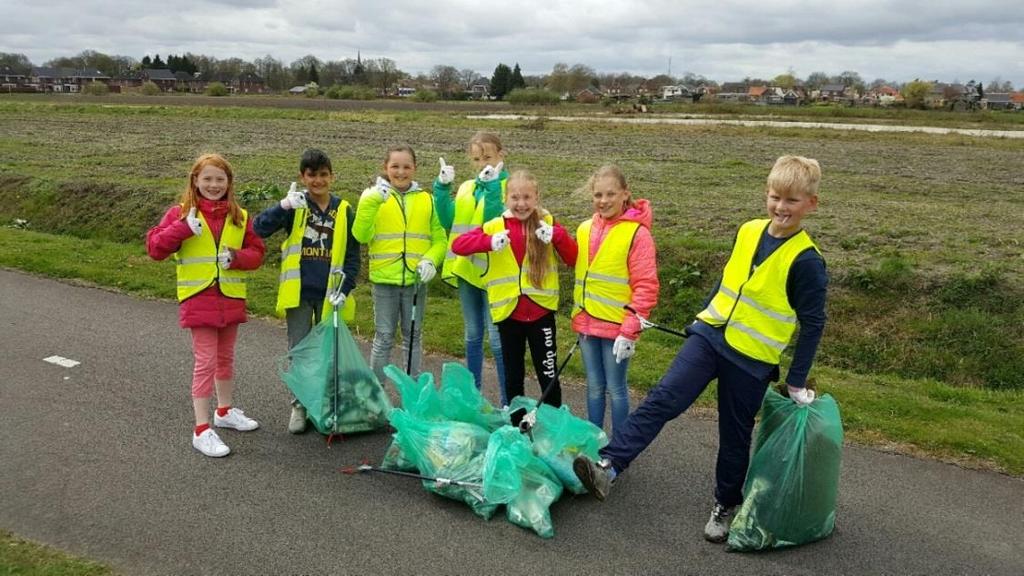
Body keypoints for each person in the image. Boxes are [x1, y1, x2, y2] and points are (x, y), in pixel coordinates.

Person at [573, 155, 828, 544]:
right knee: (663, 399)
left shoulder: (807, 261)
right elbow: (729, 278)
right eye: (775, 197)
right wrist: (702, 318)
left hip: (752, 359)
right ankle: (609, 465)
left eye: (792, 201)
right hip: (709, 337)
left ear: (811, 204)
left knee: (734, 433)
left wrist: (795, 380)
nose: (781, 207)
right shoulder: (747, 231)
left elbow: (813, 324)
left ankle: (725, 504)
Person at [146, 153, 266, 457]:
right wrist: (182, 229)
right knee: (206, 362)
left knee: (225, 358)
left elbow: (257, 252)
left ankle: (224, 412)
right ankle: (201, 430)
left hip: (230, 299)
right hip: (198, 299)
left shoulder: (239, 215)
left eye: (220, 179)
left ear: (229, 183)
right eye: (207, 179)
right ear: (195, 181)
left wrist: (237, 258)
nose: (214, 185)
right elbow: (155, 248)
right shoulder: (180, 213)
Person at [253, 148, 360, 434]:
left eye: (323, 175)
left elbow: (352, 255)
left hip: (330, 294)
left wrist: (345, 287)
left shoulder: (344, 210)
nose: (318, 181)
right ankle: (299, 404)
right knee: (300, 352)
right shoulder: (296, 206)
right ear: (303, 176)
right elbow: (258, 229)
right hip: (299, 293)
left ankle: (324, 405)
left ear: (332, 177)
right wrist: (283, 206)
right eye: (312, 175)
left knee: (328, 353)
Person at [451, 170, 577, 406]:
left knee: (548, 376)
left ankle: (553, 428)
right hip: (509, 315)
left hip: (541, 313)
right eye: (515, 198)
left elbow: (573, 258)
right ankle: (516, 428)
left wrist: (557, 236)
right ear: (505, 199)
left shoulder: (547, 222)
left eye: (527, 197)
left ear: (537, 197)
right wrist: (488, 242)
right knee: (513, 377)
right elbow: (458, 246)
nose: (521, 204)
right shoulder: (494, 226)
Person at [571, 165, 659, 437]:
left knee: (616, 388)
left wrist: (630, 331)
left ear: (625, 194)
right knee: (594, 386)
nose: (603, 200)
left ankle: (620, 447)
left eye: (611, 194)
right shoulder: (585, 228)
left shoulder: (637, 234)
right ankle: (594, 441)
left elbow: (645, 286)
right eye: (598, 194)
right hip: (587, 322)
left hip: (617, 328)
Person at [352, 144, 446, 381]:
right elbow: (361, 235)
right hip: (384, 280)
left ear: (415, 168)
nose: (401, 172)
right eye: (395, 166)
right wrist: (371, 203)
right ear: (386, 168)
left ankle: (411, 396)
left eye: (406, 166)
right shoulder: (372, 196)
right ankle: (376, 398)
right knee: (384, 338)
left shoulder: (427, 199)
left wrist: (431, 261)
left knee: (413, 337)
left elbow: (440, 239)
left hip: (416, 281)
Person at [432, 131, 509, 404]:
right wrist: (441, 189)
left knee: (499, 341)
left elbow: (492, 224)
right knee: (473, 336)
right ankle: (472, 398)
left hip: (495, 276)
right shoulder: (466, 187)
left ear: (501, 155)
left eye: (487, 156)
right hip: (466, 270)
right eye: (477, 158)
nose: (482, 163)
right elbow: (448, 221)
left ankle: (507, 402)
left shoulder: (508, 188)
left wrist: (492, 188)